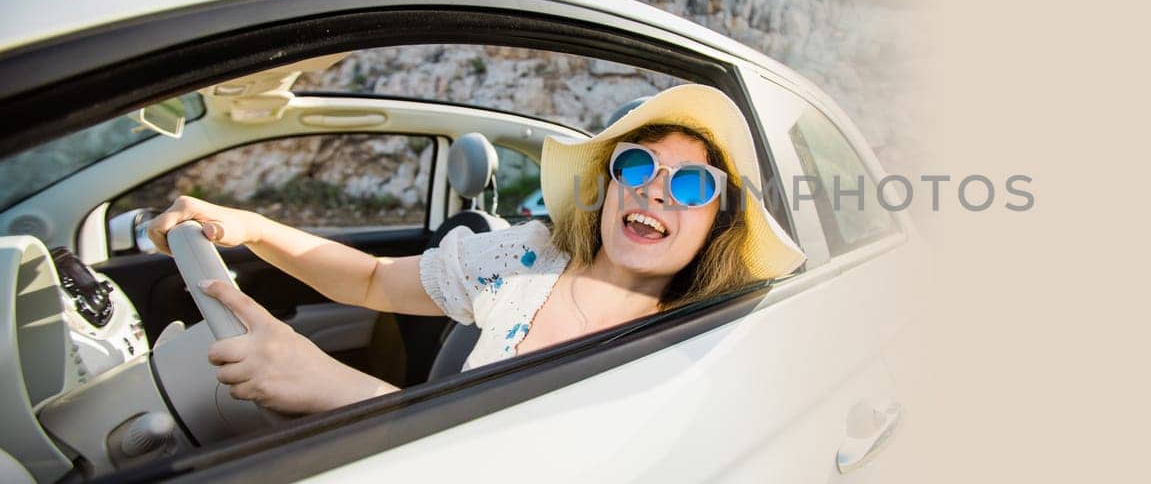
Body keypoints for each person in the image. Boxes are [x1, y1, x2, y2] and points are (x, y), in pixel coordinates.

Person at [145, 84, 805, 415]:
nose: (656, 189)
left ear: (720, 219)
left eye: (691, 182)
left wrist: (330, 385)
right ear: (607, 187)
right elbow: (373, 278)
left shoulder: (696, 354)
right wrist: (254, 226)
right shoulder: (528, 256)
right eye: (636, 165)